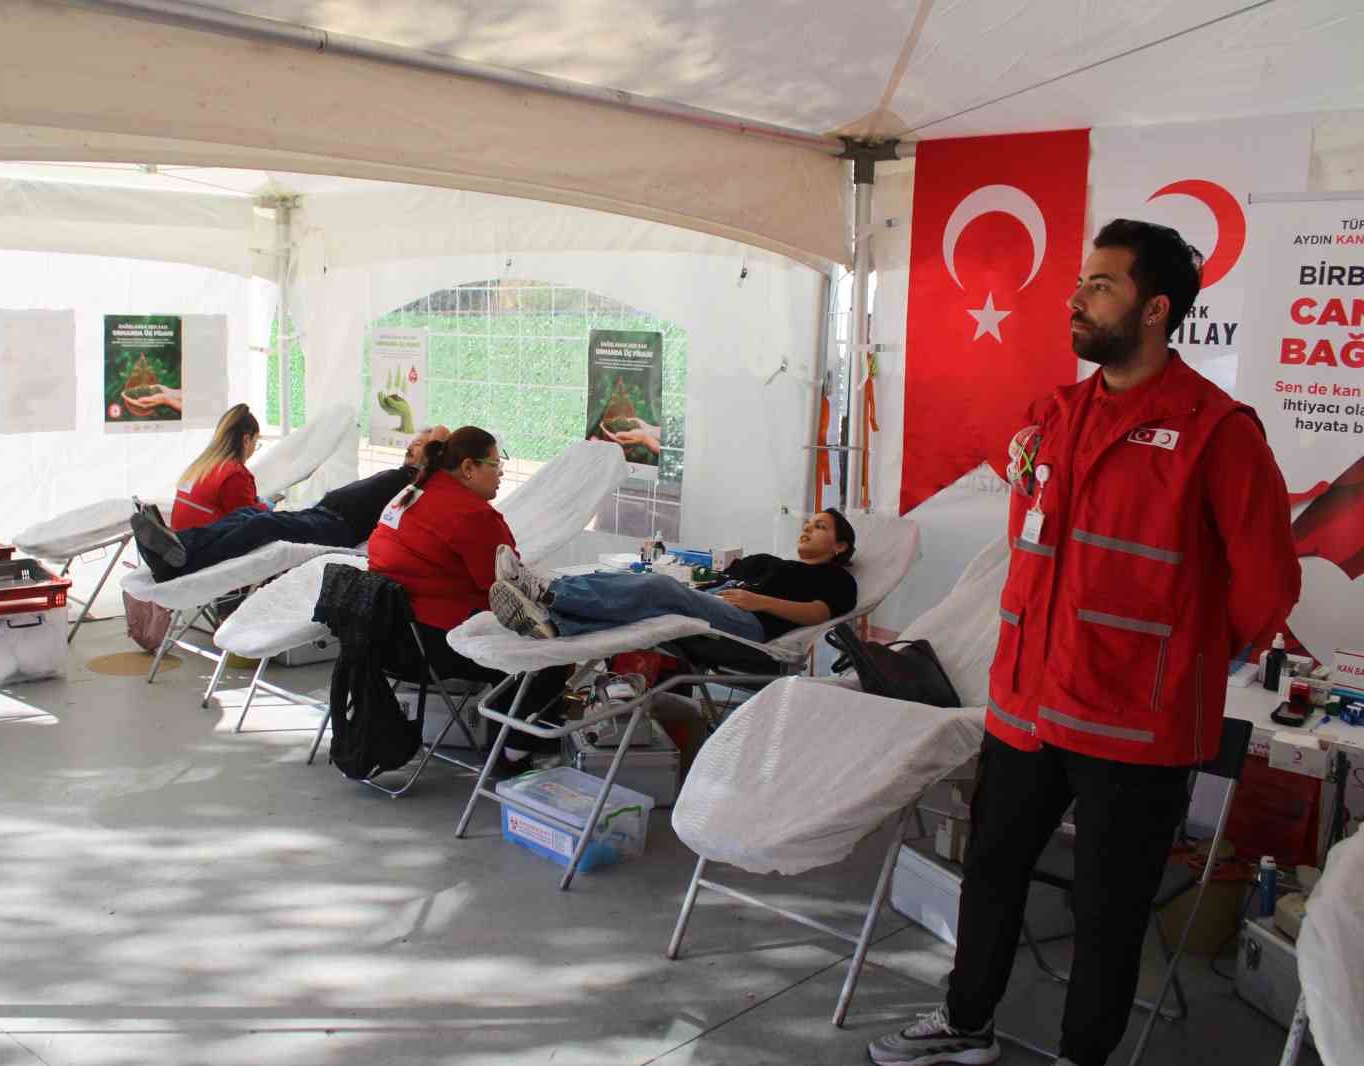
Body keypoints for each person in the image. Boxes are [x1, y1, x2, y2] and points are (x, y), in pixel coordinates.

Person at [869, 219, 1302, 1066]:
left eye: (1101, 285)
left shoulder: (1217, 432)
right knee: (992, 872)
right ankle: (966, 1024)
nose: (1076, 298)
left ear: (1155, 309)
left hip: (1134, 724)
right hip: (1027, 702)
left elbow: (1267, 586)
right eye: (1080, 282)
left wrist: (1180, 664)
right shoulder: (1056, 415)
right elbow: (1030, 541)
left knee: (1108, 910)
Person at [367, 426, 568, 767]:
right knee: (548, 651)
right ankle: (514, 751)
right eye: (495, 464)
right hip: (432, 645)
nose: (501, 472)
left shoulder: (411, 493)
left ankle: (520, 736)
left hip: (383, 636)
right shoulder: (472, 515)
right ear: (468, 468)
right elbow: (507, 585)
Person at [130, 424, 450, 581]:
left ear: (436, 453)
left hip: (337, 529)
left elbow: (438, 445)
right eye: (414, 439)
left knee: (262, 523)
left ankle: (182, 566)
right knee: (246, 514)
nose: (413, 444)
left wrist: (433, 450)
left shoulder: (418, 483)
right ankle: (178, 544)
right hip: (322, 515)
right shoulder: (401, 474)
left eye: (422, 442)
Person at [486, 510, 858, 643]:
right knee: (637, 587)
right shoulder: (772, 563)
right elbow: (717, 574)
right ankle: (554, 620)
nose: (807, 529)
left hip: (752, 625)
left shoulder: (838, 579)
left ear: (840, 546)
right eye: (808, 523)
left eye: (820, 527)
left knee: (659, 588)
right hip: (724, 601)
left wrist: (759, 601)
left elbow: (817, 613)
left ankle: (547, 592)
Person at [171, 404, 267, 531]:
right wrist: (265, 507)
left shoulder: (201, 466)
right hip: (205, 541)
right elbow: (250, 526)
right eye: (256, 442)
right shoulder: (235, 475)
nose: (255, 448)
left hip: (181, 539)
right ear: (246, 440)